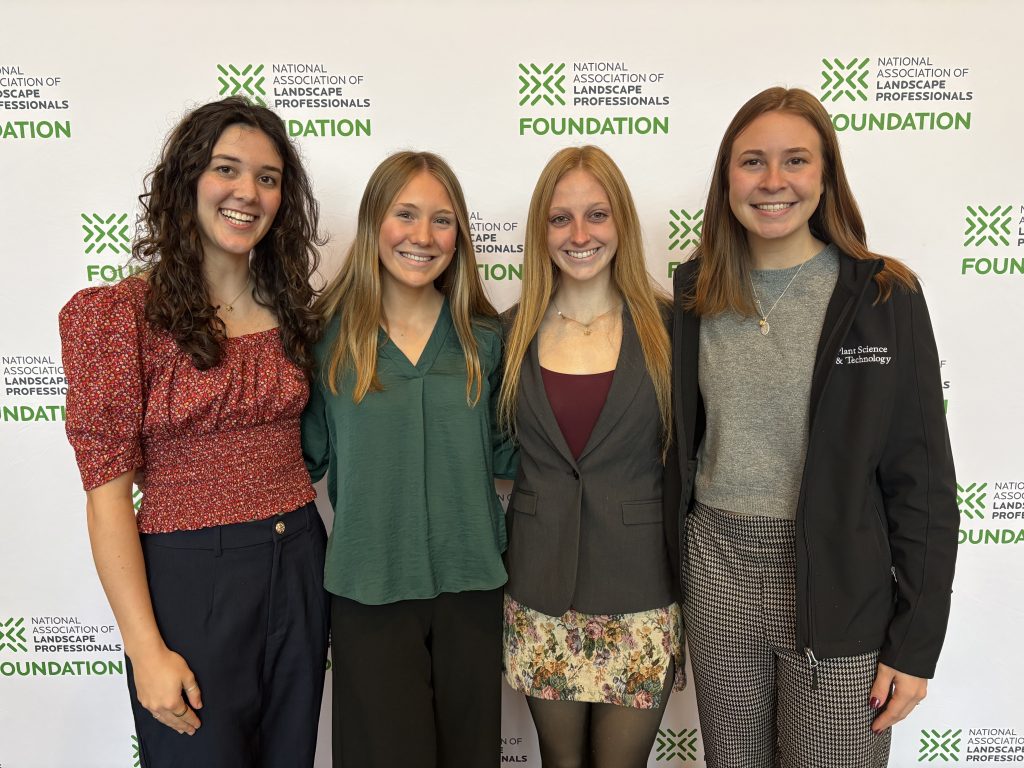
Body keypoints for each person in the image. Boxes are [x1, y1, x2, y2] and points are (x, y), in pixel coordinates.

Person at [665, 87, 958, 768]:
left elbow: (924, 483)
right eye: (752, 163)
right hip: (717, 571)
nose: (773, 182)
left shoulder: (885, 296)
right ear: (726, 178)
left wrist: (914, 646)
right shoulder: (693, 291)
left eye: (795, 161)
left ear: (825, 175)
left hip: (839, 582)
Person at [59, 97, 328, 768]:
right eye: (227, 170)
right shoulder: (120, 317)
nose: (248, 193)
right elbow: (107, 499)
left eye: (268, 178)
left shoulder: (295, 308)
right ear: (187, 183)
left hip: (299, 564)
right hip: (190, 580)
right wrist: (145, 650)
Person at [301, 150, 516, 768]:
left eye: (442, 220)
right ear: (374, 223)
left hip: (471, 586)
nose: (423, 236)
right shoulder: (327, 341)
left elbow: (514, 453)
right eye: (406, 214)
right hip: (370, 589)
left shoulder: (486, 340)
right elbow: (298, 459)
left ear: (460, 237)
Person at [499, 145, 684, 768]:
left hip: (641, 589)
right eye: (560, 219)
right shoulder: (508, 331)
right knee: (559, 761)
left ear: (622, 223)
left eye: (596, 215)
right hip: (539, 587)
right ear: (540, 230)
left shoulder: (671, 329)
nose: (580, 235)